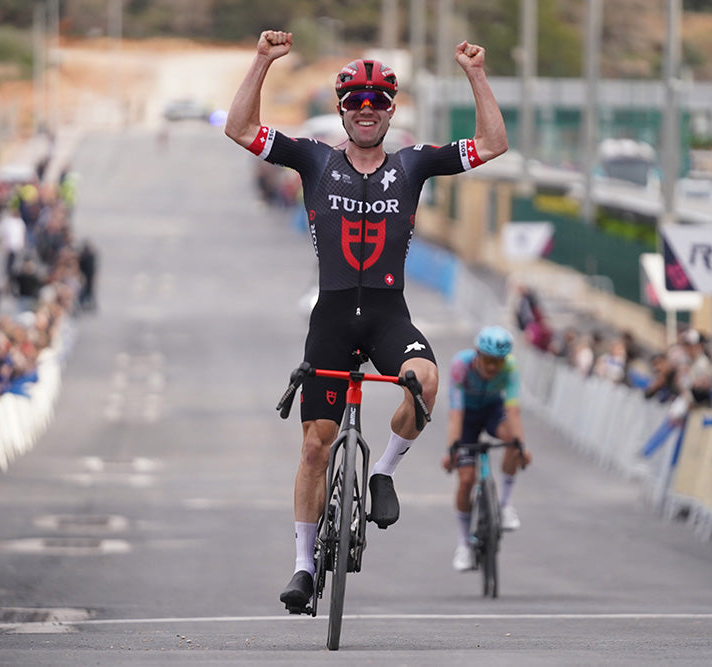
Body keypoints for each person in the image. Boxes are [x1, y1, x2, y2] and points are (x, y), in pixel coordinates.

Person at [224, 30, 508, 610]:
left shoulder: (413, 165)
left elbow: (493, 143)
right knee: (313, 449)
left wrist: (476, 74)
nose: (366, 110)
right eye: (355, 102)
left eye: (377, 102)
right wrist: (261, 61)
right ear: (342, 110)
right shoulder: (313, 158)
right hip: (331, 316)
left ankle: (382, 472)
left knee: (425, 379)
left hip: (387, 314)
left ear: (390, 111)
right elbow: (240, 129)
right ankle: (303, 568)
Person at [441, 326, 531, 571]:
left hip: (492, 412)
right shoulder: (461, 365)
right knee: (467, 479)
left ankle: (504, 505)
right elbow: (455, 414)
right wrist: (452, 450)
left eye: (498, 362)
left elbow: (513, 410)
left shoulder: (510, 368)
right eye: (489, 360)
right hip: (466, 417)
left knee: (513, 443)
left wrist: (521, 445)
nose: (493, 368)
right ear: (477, 354)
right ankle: (464, 545)